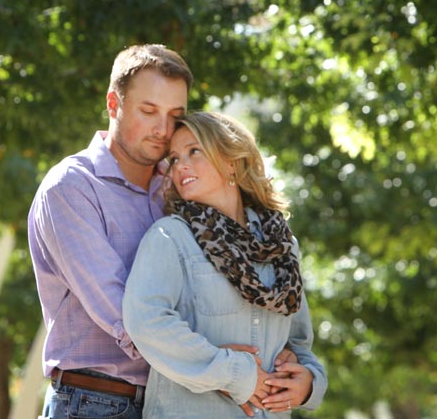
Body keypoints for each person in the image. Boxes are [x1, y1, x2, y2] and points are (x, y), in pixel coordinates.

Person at [122, 112, 327, 418]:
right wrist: (231, 372)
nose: (181, 167)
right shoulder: (171, 237)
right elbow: (146, 321)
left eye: (194, 151)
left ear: (232, 161)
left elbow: (298, 343)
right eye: (175, 159)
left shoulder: (283, 247)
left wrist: (309, 384)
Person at [27, 44, 193, 419]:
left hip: (173, 402)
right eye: (149, 111)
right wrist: (227, 365)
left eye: (175, 116)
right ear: (114, 104)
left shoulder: (179, 188)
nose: (163, 130)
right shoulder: (71, 188)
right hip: (94, 402)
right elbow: (128, 318)